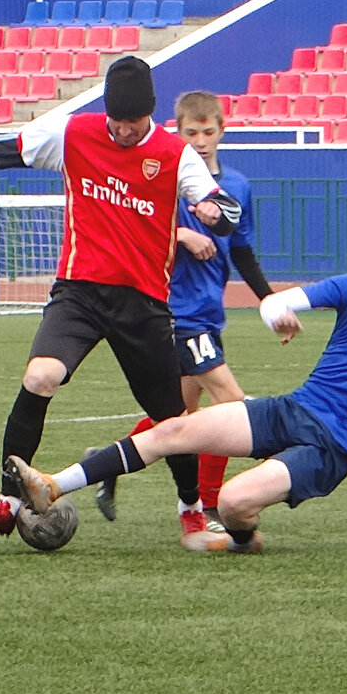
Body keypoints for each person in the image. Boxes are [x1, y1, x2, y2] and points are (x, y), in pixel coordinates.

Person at [0, 56, 242, 541]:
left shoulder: (174, 154)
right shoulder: (73, 134)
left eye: (133, 122)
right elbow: (6, 150)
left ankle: (190, 509)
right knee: (41, 376)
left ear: (151, 113)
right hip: (78, 292)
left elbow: (227, 212)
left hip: (142, 303)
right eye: (116, 120)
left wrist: (211, 210)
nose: (122, 130)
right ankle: (8, 502)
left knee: (170, 417)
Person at [4, 217, 347, 555]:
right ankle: (53, 485)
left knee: (234, 502)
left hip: (334, 448)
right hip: (293, 408)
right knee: (173, 430)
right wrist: (276, 311)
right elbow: (278, 301)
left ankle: (243, 541)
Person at [93, 90, 275, 532]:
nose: (200, 140)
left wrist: (269, 298)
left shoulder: (237, 187)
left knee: (175, 419)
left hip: (209, 313)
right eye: (190, 132)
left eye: (208, 132)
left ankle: (105, 464)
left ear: (222, 132)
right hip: (177, 313)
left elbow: (244, 252)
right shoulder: (166, 181)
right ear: (178, 133)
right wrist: (181, 234)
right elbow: (136, 232)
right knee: (230, 406)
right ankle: (207, 506)